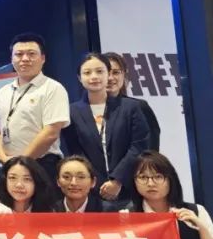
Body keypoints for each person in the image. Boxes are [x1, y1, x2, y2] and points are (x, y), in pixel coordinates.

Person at [62, 53, 150, 207]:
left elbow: (139, 146)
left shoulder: (130, 107)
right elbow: (74, 152)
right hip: (91, 190)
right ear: (79, 78)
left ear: (108, 74)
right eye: (87, 72)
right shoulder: (71, 112)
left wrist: (118, 180)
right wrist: (96, 182)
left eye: (99, 71)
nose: (94, 77)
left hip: (128, 187)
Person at [0, 32, 70, 189]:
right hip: (8, 165)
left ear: (43, 58)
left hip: (42, 164)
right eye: (19, 54)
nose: (25, 59)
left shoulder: (53, 88)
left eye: (31, 54)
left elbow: (51, 132)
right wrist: (2, 158)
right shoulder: (3, 91)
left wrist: (21, 162)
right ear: (11, 59)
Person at [104, 52, 161, 151]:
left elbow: (151, 149)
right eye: (105, 73)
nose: (110, 78)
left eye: (116, 72)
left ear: (124, 75)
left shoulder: (140, 106)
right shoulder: (86, 110)